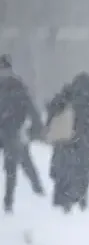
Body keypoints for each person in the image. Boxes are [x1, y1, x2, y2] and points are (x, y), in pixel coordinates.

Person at [46, 72, 89, 213]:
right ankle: (82, 199)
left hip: (66, 142)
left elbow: (52, 110)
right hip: (85, 142)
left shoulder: (66, 96)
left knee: (65, 171)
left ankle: (64, 200)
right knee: (83, 172)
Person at [0, 54, 44, 213]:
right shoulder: (18, 85)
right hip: (14, 131)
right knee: (21, 163)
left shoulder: (14, 86)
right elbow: (30, 107)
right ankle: (34, 192)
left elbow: (30, 107)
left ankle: (10, 201)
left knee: (16, 165)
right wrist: (36, 126)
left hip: (9, 131)